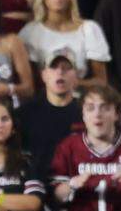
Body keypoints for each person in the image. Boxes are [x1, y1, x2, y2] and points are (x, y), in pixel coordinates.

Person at [19, 0, 111, 89]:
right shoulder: (30, 32)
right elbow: (28, 81)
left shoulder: (89, 29)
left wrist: (71, 83)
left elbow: (101, 81)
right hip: (43, 95)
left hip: (81, 94)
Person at [18, 49, 82, 180]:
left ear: (76, 77)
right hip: (36, 183)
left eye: (67, 67)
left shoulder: (87, 113)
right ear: (43, 75)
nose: (60, 72)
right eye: (53, 67)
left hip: (76, 182)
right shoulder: (24, 114)